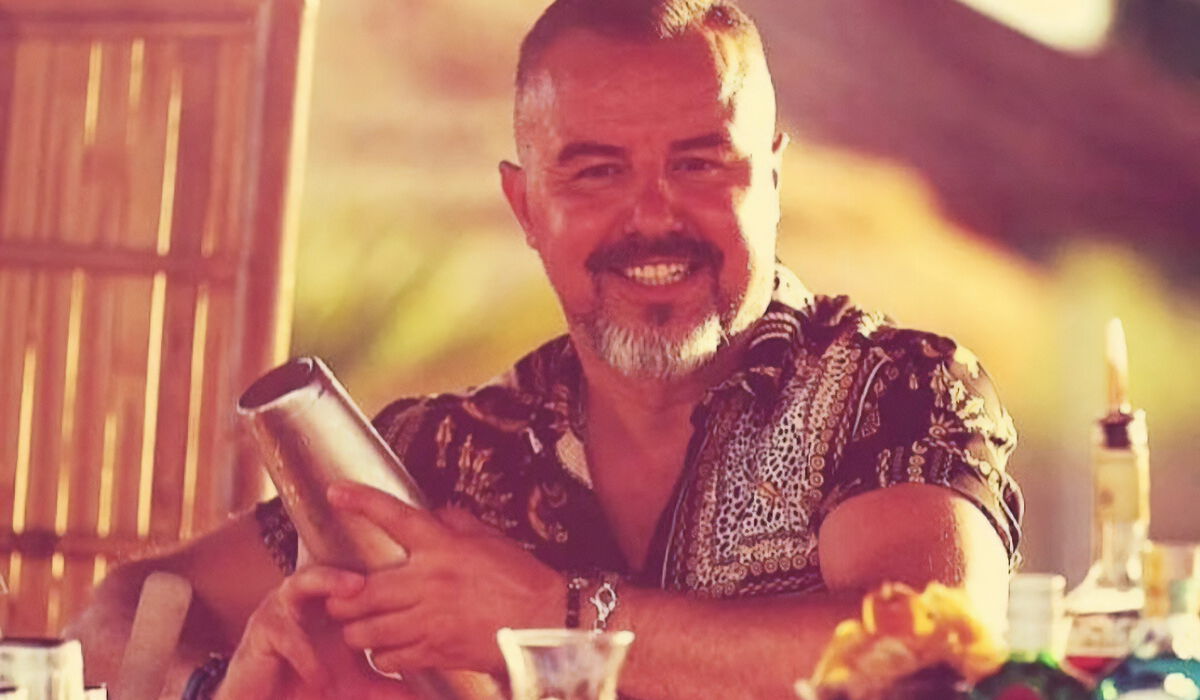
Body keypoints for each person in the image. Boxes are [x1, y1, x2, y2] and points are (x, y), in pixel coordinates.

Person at [68, 0, 1023, 698]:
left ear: (771, 177)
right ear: (525, 207)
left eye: (699, 163)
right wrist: (223, 687)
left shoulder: (897, 388)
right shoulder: (443, 455)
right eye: (596, 172)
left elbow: (931, 648)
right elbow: (120, 612)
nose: (653, 216)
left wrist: (549, 615)